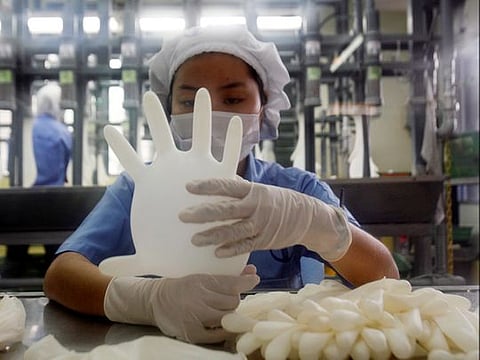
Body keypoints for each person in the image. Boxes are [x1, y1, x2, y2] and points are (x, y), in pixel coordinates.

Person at [44, 26, 399, 344]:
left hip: (269, 348)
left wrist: (314, 224)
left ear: (263, 109)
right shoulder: (139, 188)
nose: (209, 112)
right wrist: (148, 301)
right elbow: (61, 275)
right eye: (188, 100)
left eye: (232, 99)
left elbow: (386, 277)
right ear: (169, 111)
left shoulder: (296, 190)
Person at [5, 83, 72, 270]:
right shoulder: (63, 132)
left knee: (15, 259)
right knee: (55, 257)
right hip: (54, 205)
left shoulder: (23, 129)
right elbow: (67, 169)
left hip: (21, 206)